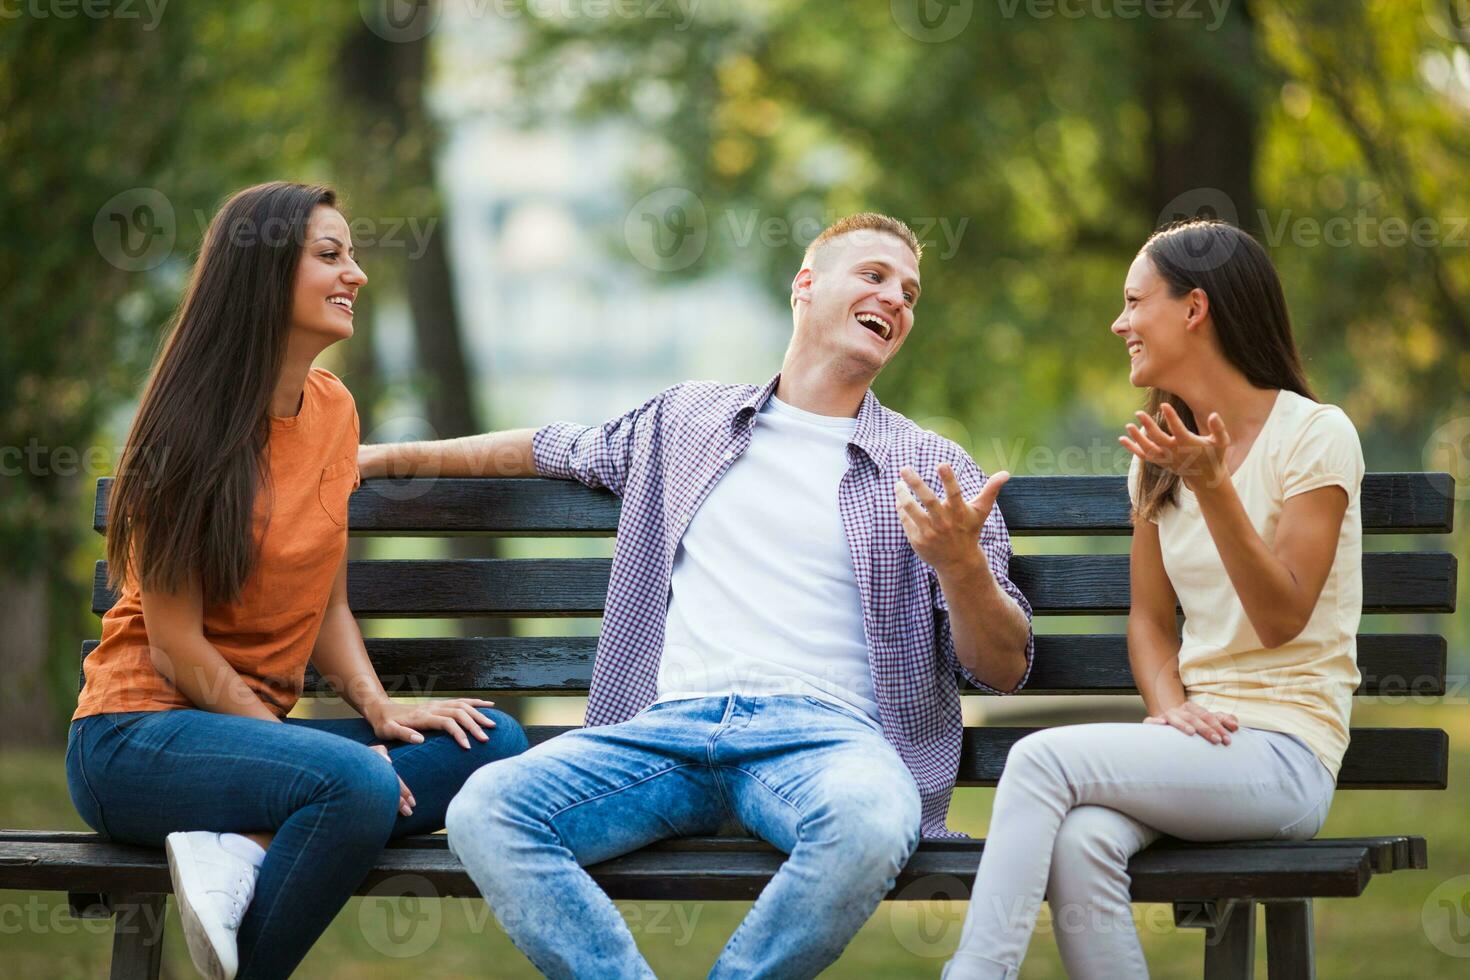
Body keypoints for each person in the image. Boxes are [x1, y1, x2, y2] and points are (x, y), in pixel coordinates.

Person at [358, 212, 1036, 978]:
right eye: (875, 276)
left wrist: (960, 565)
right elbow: (544, 446)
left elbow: (1003, 667)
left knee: (874, 825)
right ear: (805, 287)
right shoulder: (687, 420)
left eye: (911, 292)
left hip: (825, 743)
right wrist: (379, 456)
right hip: (666, 736)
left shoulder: (931, 466)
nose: (898, 299)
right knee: (488, 809)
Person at [65, 181, 528, 980]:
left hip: (248, 750)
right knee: (352, 784)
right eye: (330, 255)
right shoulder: (185, 434)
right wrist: (304, 759)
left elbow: (328, 601)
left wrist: (381, 711)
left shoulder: (334, 411)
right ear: (264, 273)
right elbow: (176, 650)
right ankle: (269, 842)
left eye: (351, 255)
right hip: (136, 741)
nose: (357, 274)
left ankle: (241, 845)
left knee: (488, 743)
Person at [942, 220, 1363, 979]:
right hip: (1198, 748)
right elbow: (1148, 620)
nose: (1120, 322)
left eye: (1135, 301)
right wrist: (1168, 703)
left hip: (1286, 756)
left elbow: (1281, 617)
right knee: (1082, 840)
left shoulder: (1317, 436)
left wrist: (1216, 488)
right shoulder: (1158, 463)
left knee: (1039, 762)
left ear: (1194, 308)